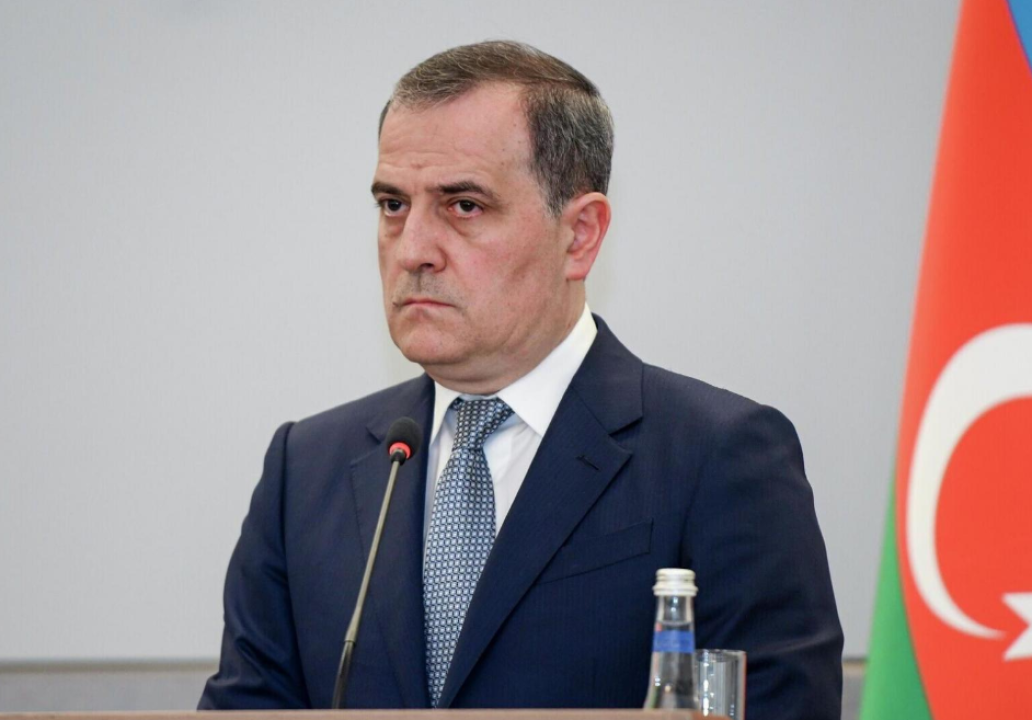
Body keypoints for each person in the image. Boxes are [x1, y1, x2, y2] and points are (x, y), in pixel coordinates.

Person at [199, 41, 843, 718]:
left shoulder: (718, 458)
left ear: (580, 235)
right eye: (392, 204)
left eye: (463, 206)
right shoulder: (306, 470)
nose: (412, 249)